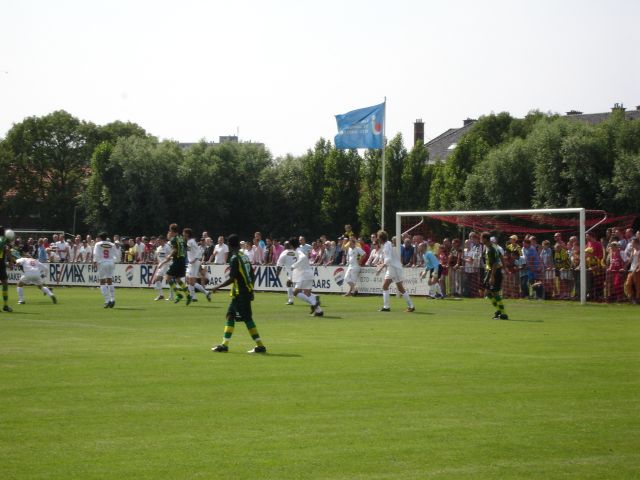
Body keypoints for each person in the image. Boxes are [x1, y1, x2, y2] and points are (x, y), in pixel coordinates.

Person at [211, 234, 266, 354]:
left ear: (230, 245)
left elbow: (232, 278)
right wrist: (251, 289)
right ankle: (224, 345)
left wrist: (217, 287)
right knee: (230, 315)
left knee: (247, 318)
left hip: (241, 293)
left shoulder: (235, 258)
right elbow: (252, 274)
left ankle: (260, 346)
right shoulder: (244, 256)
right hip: (240, 292)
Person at [375, 230, 415, 312]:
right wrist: (382, 263)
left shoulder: (386, 246)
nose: (377, 240)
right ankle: (411, 306)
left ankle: (386, 307)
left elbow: (388, 259)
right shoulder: (388, 243)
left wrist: (381, 267)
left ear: (380, 239)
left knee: (385, 287)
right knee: (400, 288)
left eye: (378, 238)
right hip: (396, 267)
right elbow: (389, 258)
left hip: (393, 268)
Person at [289, 237, 323, 316]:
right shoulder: (298, 250)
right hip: (308, 273)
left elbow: (303, 258)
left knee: (296, 292)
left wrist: (294, 265)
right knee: (307, 293)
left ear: (291, 246)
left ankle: (314, 301)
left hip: (304, 274)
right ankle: (319, 311)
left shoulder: (298, 251)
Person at [158, 223, 191, 305]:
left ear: (172, 231)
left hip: (177, 261)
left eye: (170, 231)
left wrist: (167, 258)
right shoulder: (181, 238)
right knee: (178, 279)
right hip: (182, 260)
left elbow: (174, 250)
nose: (169, 232)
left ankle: (179, 294)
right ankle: (188, 296)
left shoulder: (174, 240)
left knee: (168, 278)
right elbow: (186, 248)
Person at [480, 232, 508, 320]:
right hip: (490, 272)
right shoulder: (489, 247)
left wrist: (492, 276)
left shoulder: (491, 249)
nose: (481, 240)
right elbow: (501, 257)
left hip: (494, 272)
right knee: (488, 293)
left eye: (481, 238)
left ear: (485, 239)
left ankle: (503, 314)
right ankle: (499, 311)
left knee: (494, 293)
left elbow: (496, 263)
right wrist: (505, 268)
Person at [184, 228, 210, 303]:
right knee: (188, 280)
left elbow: (199, 252)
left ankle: (203, 293)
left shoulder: (191, 242)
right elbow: (190, 252)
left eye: (184, 233)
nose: (183, 234)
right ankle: (195, 296)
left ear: (187, 234)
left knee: (191, 281)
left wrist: (194, 260)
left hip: (194, 263)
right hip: (191, 263)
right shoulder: (189, 242)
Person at [93, 232, 119, 308]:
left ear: (100, 238)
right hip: (110, 263)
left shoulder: (97, 244)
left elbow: (95, 254)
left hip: (102, 263)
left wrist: (95, 262)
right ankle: (113, 299)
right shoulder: (112, 244)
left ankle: (107, 301)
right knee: (110, 281)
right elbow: (116, 255)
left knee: (102, 282)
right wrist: (114, 261)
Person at [152, 236, 174, 301]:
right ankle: (161, 295)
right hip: (161, 266)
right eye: (157, 241)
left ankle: (171, 296)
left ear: (163, 240)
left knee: (169, 281)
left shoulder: (168, 247)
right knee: (157, 279)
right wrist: (158, 262)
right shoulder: (158, 248)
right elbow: (157, 257)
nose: (158, 242)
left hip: (168, 265)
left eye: (159, 240)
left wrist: (162, 263)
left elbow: (170, 257)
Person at [275, 240, 297, 305]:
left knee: (296, 289)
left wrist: (277, 272)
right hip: (298, 271)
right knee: (291, 284)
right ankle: (290, 300)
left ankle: (291, 300)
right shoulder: (295, 252)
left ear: (285, 246)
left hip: (292, 272)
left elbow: (279, 264)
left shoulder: (284, 253)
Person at [0, 226, 15, 312]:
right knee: (5, 283)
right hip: (0, 263)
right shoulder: (4, 238)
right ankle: (5, 305)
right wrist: (11, 261)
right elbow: (7, 249)